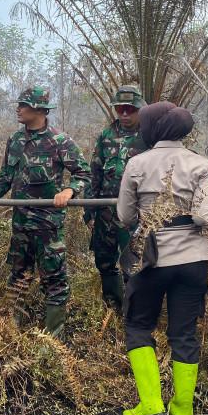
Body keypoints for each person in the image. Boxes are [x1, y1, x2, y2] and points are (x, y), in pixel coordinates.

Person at [117, 101, 208, 415]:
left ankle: (151, 403)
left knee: (139, 326)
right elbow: (202, 216)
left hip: (152, 260)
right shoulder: (200, 164)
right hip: (194, 260)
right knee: (184, 334)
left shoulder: (137, 163)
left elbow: (125, 216)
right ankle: (182, 414)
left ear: (152, 129)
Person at [0, 87, 91, 337]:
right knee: (18, 275)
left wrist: (70, 191)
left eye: (23, 105)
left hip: (48, 226)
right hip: (20, 224)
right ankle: (10, 332)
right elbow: (5, 177)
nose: (18, 109)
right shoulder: (15, 140)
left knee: (54, 280)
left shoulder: (60, 141)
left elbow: (84, 174)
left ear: (38, 110)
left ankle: (53, 341)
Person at [84, 84, 147, 312]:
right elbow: (94, 174)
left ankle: (137, 312)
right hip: (105, 211)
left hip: (137, 213)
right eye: (120, 109)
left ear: (139, 109)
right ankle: (113, 308)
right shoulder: (106, 136)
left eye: (130, 109)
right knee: (104, 261)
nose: (124, 114)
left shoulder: (149, 136)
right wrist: (89, 211)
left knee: (134, 264)